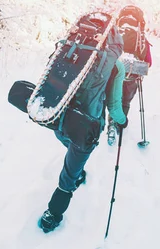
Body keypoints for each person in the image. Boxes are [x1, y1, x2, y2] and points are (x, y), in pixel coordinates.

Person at [39, 19, 128, 233]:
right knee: (69, 173)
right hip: (86, 128)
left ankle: (77, 173)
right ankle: (53, 213)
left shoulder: (70, 50)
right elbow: (114, 107)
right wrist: (123, 121)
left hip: (57, 118)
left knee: (70, 149)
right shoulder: (115, 65)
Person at [107, 6, 152, 144]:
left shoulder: (114, 33)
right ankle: (118, 124)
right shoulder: (142, 39)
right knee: (124, 101)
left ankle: (107, 123)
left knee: (111, 98)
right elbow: (148, 62)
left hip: (113, 72)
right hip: (131, 76)